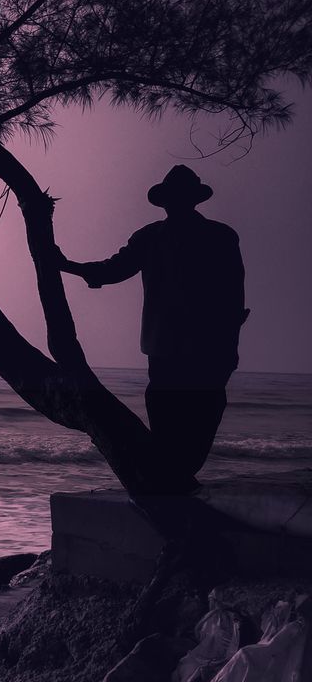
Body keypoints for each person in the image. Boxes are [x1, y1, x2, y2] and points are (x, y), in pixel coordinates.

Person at [56, 165, 248, 495]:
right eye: (174, 199)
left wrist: (230, 344)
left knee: (199, 415)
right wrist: (70, 266)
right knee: (175, 417)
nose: (177, 204)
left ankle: (177, 483)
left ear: (190, 200)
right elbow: (115, 268)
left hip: (198, 346)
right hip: (173, 346)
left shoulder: (217, 236)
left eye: (181, 198)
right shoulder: (157, 237)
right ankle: (177, 483)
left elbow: (234, 293)